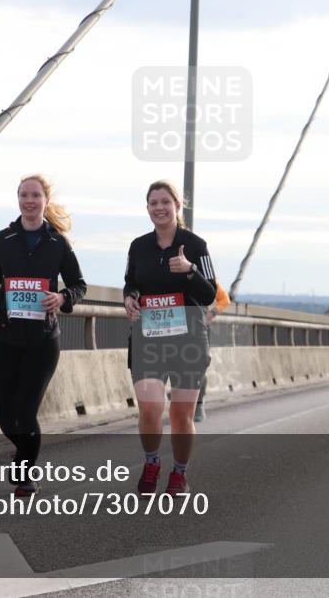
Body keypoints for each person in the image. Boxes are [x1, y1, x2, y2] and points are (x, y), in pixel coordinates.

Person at [0, 174, 87, 497]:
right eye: (24, 195)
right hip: (7, 338)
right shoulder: (2, 240)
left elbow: (79, 284)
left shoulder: (57, 243)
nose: (29, 200)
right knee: (4, 415)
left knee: (25, 410)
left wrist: (63, 298)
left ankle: (25, 471)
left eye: (35, 195)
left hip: (42, 340)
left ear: (45, 201)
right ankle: (24, 452)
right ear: (18, 199)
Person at [124, 180, 217, 496]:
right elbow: (131, 283)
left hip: (188, 339)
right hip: (148, 337)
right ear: (147, 208)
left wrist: (189, 271)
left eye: (165, 202)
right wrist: (130, 298)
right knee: (149, 409)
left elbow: (209, 295)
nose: (159, 208)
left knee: (180, 415)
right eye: (153, 203)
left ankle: (179, 472)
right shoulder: (138, 246)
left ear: (178, 206)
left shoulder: (196, 245)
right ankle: (152, 462)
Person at [193, 280, 230, 423]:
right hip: (174, 327)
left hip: (198, 328)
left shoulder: (207, 274)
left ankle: (199, 403)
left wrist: (212, 313)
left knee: (199, 368)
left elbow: (224, 299)